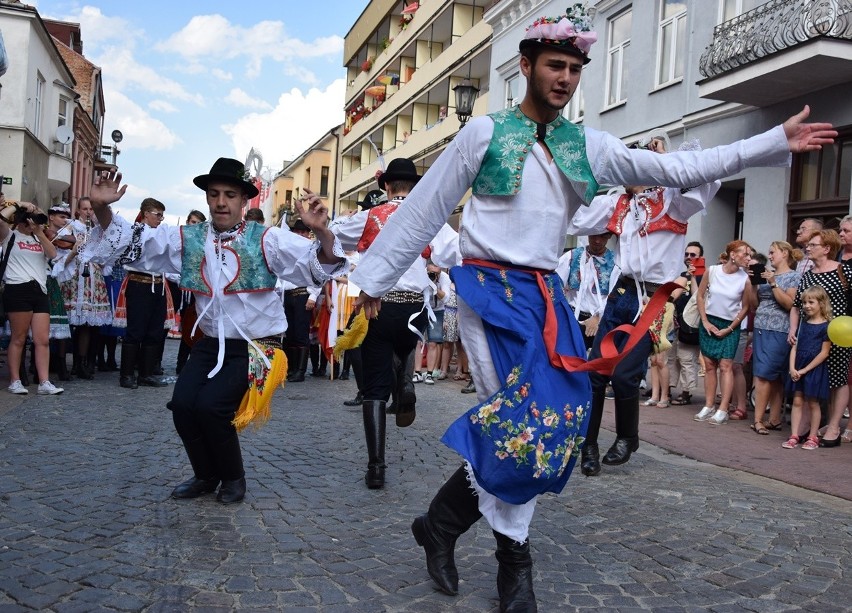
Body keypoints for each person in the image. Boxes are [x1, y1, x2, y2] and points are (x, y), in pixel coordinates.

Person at [346, 7, 835, 610]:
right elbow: (424, 209)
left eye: (576, 69)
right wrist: (372, 281)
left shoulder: (589, 146)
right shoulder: (483, 133)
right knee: (523, 425)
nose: (566, 78)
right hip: (487, 293)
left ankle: (441, 523)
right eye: (556, 65)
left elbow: (676, 168)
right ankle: (513, 568)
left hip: (544, 297)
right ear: (525, 66)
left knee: (551, 422)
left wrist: (769, 143)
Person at [87, 159, 346, 504]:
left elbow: (321, 265)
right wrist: (103, 210)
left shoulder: (267, 239)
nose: (221, 202)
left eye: (229, 194)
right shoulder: (189, 239)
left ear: (244, 201)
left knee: (211, 407)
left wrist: (322, 231)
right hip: (212, 343)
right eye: (214, 194)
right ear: (207, 199)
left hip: (258, 346)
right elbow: (137, 244)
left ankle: (233, 478)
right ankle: (206, 475)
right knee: (181, 404)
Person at [568, 134, 722, 476]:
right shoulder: (618, 203)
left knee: (624, 375)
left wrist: (668, 164)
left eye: (635, 166)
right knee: (596, 374)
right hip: (621, 294)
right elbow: (575, 219)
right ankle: (588, 445)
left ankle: (628, 437)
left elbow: (707, 178)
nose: (628, 174)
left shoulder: (672, 201)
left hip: (654, 298)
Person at [330, 157, 459, 489]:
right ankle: (405, 383)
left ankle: (376, 466)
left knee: (373, 387)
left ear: (386, 186)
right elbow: (455, 253)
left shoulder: (371, 215)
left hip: (379, 306)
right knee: (404, 345)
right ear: (414, 187)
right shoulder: (430, 219)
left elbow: (332, 237)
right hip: (415, 308)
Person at [789, 229, 851, 447]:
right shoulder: (807, 275)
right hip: (812, 334)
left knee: (837, 378)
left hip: (838, 333)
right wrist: (793, 330)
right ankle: (809, 426)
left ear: (826, 249)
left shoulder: (844, 271)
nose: (808, 247)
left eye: (813, 245)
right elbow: (796, 306)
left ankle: (833, 426)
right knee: (813, 379)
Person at [0, 201, 63, 395]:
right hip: (17, 288)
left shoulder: (39, 238)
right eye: (27, 220)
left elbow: (53, 254)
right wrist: (19, 205)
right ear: (19, 220)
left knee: (42, 339)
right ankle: (15, 380)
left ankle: (44, 382)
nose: (30, 223)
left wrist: (40, 228)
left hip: (39, 290)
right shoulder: (9, 236)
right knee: (18, 338)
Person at [111, 197, 171, 389]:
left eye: (162, 215)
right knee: (135, 331)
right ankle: (127, 375)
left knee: (155, 331)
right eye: (157, 214)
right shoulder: (136, 232)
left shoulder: (160, 233)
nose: (160, 219)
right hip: (139, 283)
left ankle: (146, 374)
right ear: (146, 213)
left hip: (159, 284)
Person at [694, 241, 754, 425]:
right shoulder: (712, 271)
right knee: (710, 365)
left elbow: (746, 307)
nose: (749, 259)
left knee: (726, 366)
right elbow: (700, 295)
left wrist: (730, 328)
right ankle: (709, 404)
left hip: (730, 325)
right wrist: (704, 321)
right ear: (733, 255)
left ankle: (723, 409)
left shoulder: (745, 278)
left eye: (750, 255)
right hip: (709, 321)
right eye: (746, 254)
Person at [54, 197, 113, 380]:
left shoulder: (99, 231)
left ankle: (81, 363)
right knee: (67, 321)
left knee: (86, 324)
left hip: (92, 276)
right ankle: (62, 364)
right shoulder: (71, 227)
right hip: (73, 275)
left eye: (91, 209)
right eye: (85, 209)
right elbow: (58, 243)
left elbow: (107, 257)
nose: (89, 212)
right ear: (78, 211)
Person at [749, 241, 800, 434]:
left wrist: (772, 283)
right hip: (762, 326)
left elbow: (789, 304)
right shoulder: (765, 274)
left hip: (781, 328)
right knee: (765, 373)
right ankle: (765, 419)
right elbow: (754, 305)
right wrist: (753, 285)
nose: (769, 256)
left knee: (773, 374)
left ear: (785, 253)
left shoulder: (794, 276)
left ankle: (767, 419)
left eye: (773, 253)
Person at [782, 285, 831, 450]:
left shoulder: (826, 326)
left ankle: (812, 436)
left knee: (813, 402)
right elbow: (794, 348)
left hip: (813, 369)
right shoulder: (803, 323)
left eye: (811, 302)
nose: (807, 306)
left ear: (821, 303)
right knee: (797, 400)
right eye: (804, 302)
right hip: (798, 367)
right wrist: (792, 368)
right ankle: (794, 434)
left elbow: (824, 353)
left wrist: (804, 370)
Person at [555, 231, 617, 351]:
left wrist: (598, 317)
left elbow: (614, 295)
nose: (597, 241)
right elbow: (556, 285)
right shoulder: (572, 256)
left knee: (598, 363)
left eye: (602, 236)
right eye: (594, 235)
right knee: (570, 358)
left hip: (601, 320)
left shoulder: (614, 262)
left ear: (609, 237)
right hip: (573, 318)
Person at [282, 218, 322, 383]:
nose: (299, 234)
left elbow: (319, 275)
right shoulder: (288, 249)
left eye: (303, 232)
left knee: (301, 333)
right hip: (288, 293)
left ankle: (300, 370)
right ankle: (291, 368)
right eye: (297, 232)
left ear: (308, 234)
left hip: (303, 294)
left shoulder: (312, 250)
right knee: (290, 333)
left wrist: (313, 295)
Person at [669, 241, 704, 405]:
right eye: (687, 254)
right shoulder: (681, 274)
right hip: (676, 321)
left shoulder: (704, 275)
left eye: (693, 255)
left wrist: (693, 276)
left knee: (687, 359)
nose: (689, 257)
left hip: (692, 325)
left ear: (700, 257)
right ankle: (667, 388)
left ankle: (687, 391)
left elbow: (698, 297)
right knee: (671, 357)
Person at [175, 209, 207, 374]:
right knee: (186, 327)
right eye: (192, 222)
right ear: (187, 222)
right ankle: (180, 365)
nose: (195, 226)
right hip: (182, 289)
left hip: (198, 289)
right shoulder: (179, 240)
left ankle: (195, 365)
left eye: (198, 223)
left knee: (198, 328)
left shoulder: (205, 242)